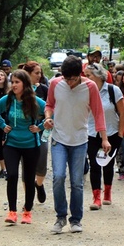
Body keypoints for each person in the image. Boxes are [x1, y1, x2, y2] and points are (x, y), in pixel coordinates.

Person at [44, 56, 110, 234]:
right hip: (59, 138)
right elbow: (49, 104)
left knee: (77, 182)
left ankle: (76, 219)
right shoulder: (56, 84)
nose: (70, 83)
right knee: (58, 177)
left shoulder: (90, 87)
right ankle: (60, 216)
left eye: (72, 79)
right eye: (66, 79)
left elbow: (98, 113)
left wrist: (104, 138)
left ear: (79, 75)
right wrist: (48, 117)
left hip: (80, 140)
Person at [0, 70, 45, 224]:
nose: (13, 85)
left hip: (31, 144)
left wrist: (40, 127)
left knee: (28, 178)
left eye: (17, 82)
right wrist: (2, 125)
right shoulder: (7, 99)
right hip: (11, 144)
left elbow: (50, 114)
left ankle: (27, 211)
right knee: (12, 175)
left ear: (25, 84)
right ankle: (12, 211)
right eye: (12, 82)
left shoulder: (35, 101)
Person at [85, 64, 124, 209]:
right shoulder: (85, 91)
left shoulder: (113, 90)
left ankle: (107, 192)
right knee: (94, 165)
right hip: (91, 133)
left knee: (108, 164)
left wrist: (120, 134)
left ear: (98, 76)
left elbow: (122, 113)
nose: (85, 78)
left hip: (111, 132)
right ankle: (96, 198)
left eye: (88, 75)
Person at [23, 61, 49, 204]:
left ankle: (38, 184)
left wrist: (40, 127)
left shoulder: (44, 89)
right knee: (25, 166)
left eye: (40, 73)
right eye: (36, 73)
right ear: (28, 74)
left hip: (41, 130)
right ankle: (28, 201)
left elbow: (50, 112)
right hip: (24, 131)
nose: (39, 76)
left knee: (42, 161)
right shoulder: (19, 89)